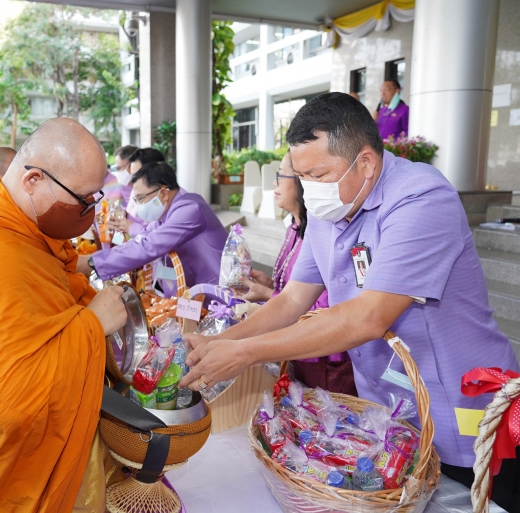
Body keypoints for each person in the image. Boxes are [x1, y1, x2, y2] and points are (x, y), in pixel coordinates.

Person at [181, 93, 520, 513]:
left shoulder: (421, 198)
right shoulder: (333, 210)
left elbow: (367, 317)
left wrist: (242, 353)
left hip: (463, 410)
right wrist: (222, 342)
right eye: (302, 176)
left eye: (319, 175)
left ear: (365, 162)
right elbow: (292, 298)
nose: (309, 190)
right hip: (389, 414)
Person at [0, 117, 128, 512]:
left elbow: (47, 302)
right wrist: (92, 325)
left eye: (97, 198)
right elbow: (12, 402)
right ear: (33, 180)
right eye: (84, 199)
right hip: (29, 453)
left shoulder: (20, 227)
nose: (91, 209)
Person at [231, 151, 356, 394]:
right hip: (299, 347)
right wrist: (270, 284)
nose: (275, 183)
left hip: (327, 359)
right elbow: (294, 290)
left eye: (281, 175)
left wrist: (268, 293)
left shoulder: (325, 232)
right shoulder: (295, 226)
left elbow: (322, 308)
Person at [79, 161, 228, 297]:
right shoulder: (166, 214)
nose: (138, 205)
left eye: (140, 198)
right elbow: (142, 239)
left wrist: (92, 263)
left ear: (163, 193)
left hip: (217, 291)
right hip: (195, 292)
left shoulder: (190, 209)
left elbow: (148, 246)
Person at [109, 147, 165, 237]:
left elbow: (159, 240)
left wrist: (131, 227)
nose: (133, 179)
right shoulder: (136, 191)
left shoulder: (164, 199)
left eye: (136, 175)